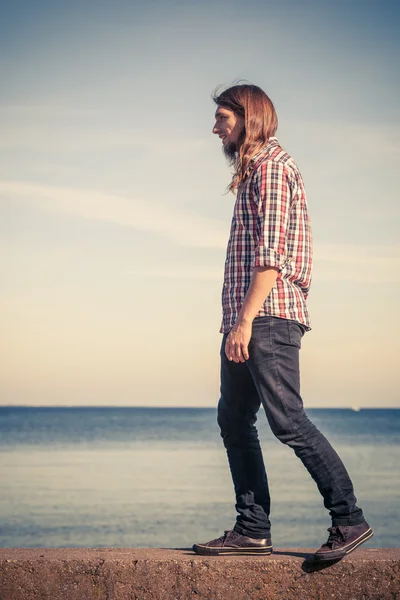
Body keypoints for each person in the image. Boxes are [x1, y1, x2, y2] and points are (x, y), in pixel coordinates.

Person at [192, 84, 373, 561]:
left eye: (222, 119)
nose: (215, 128)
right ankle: (252, 529)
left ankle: (348, 519)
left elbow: (271, 259)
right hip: (247, 319)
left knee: (288, 421)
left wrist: (245, 321)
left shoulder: (271, 169)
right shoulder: (254, 172)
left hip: (265, 318)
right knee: (233, 418)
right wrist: (237, 321)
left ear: (247, 119)